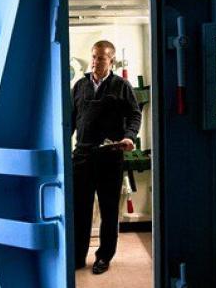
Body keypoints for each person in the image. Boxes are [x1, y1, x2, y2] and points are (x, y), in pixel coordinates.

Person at [71, 40, 142, 274]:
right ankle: (78, 256)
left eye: (101, 57)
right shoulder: (80, 86)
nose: (95, 61)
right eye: (93, 56)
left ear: (111, 60)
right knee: (80, 210)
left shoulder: (121, 85)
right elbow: (70, 119)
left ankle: (104, 257)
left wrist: (130, 137)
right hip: (82, 156)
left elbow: (134, 114)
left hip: (110, 157)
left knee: (109, 210)